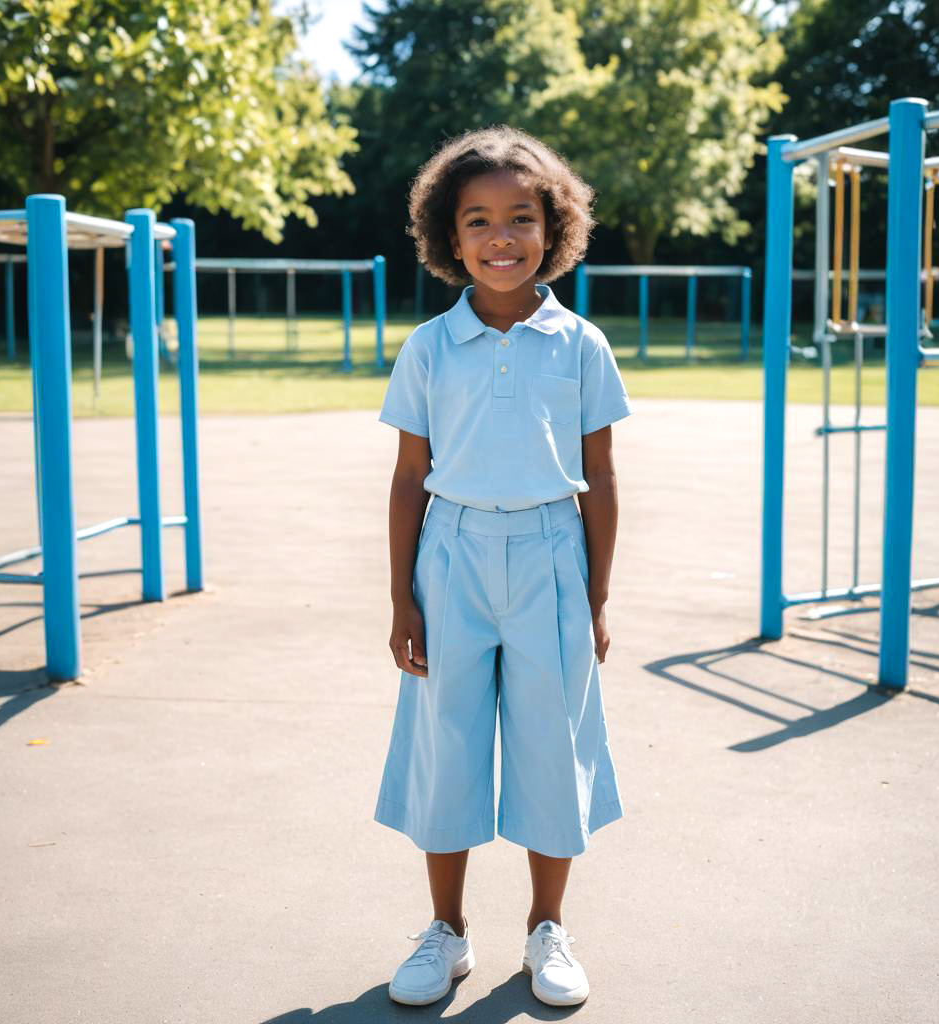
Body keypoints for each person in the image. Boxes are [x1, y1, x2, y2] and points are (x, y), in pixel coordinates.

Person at [374, 125, 632, 1008]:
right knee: (445, 746)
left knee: (550, 746)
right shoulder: (428, 348)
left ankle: (546, 931)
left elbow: (599, 477)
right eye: (478, 220)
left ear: (552, 228)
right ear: (451, 239)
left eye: (520, 218)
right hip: (451, 559)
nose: (500, 238)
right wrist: (403, 599)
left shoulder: (582, 344)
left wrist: (595, 596)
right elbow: (410, 479)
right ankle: (445, 932)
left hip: (552, 557)